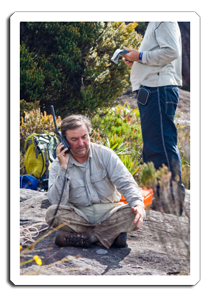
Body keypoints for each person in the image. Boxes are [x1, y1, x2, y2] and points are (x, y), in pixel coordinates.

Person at [45, 114, 146, 249]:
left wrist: (138, 205)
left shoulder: (105, 154)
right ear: (64, 141)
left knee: (136, 211)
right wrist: (64, 168)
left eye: (84, 137)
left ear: (89, 134)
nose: (81, 143)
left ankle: (90, 238)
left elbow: (126, 182)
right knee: (52, 214)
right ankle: (111, 236)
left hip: (109, 212)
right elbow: (57, 203)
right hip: (79, 214)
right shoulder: (58, 165)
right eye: (74, 139)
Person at [122, 22, 185, 215]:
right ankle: (161, 199)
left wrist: (140, 56)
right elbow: (161, 54)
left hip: (159, 90)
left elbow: (171, 52)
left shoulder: (164, 16)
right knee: (153, 148)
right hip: (153, 89)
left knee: (160, 147)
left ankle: (170, 204)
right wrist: (138, 59)